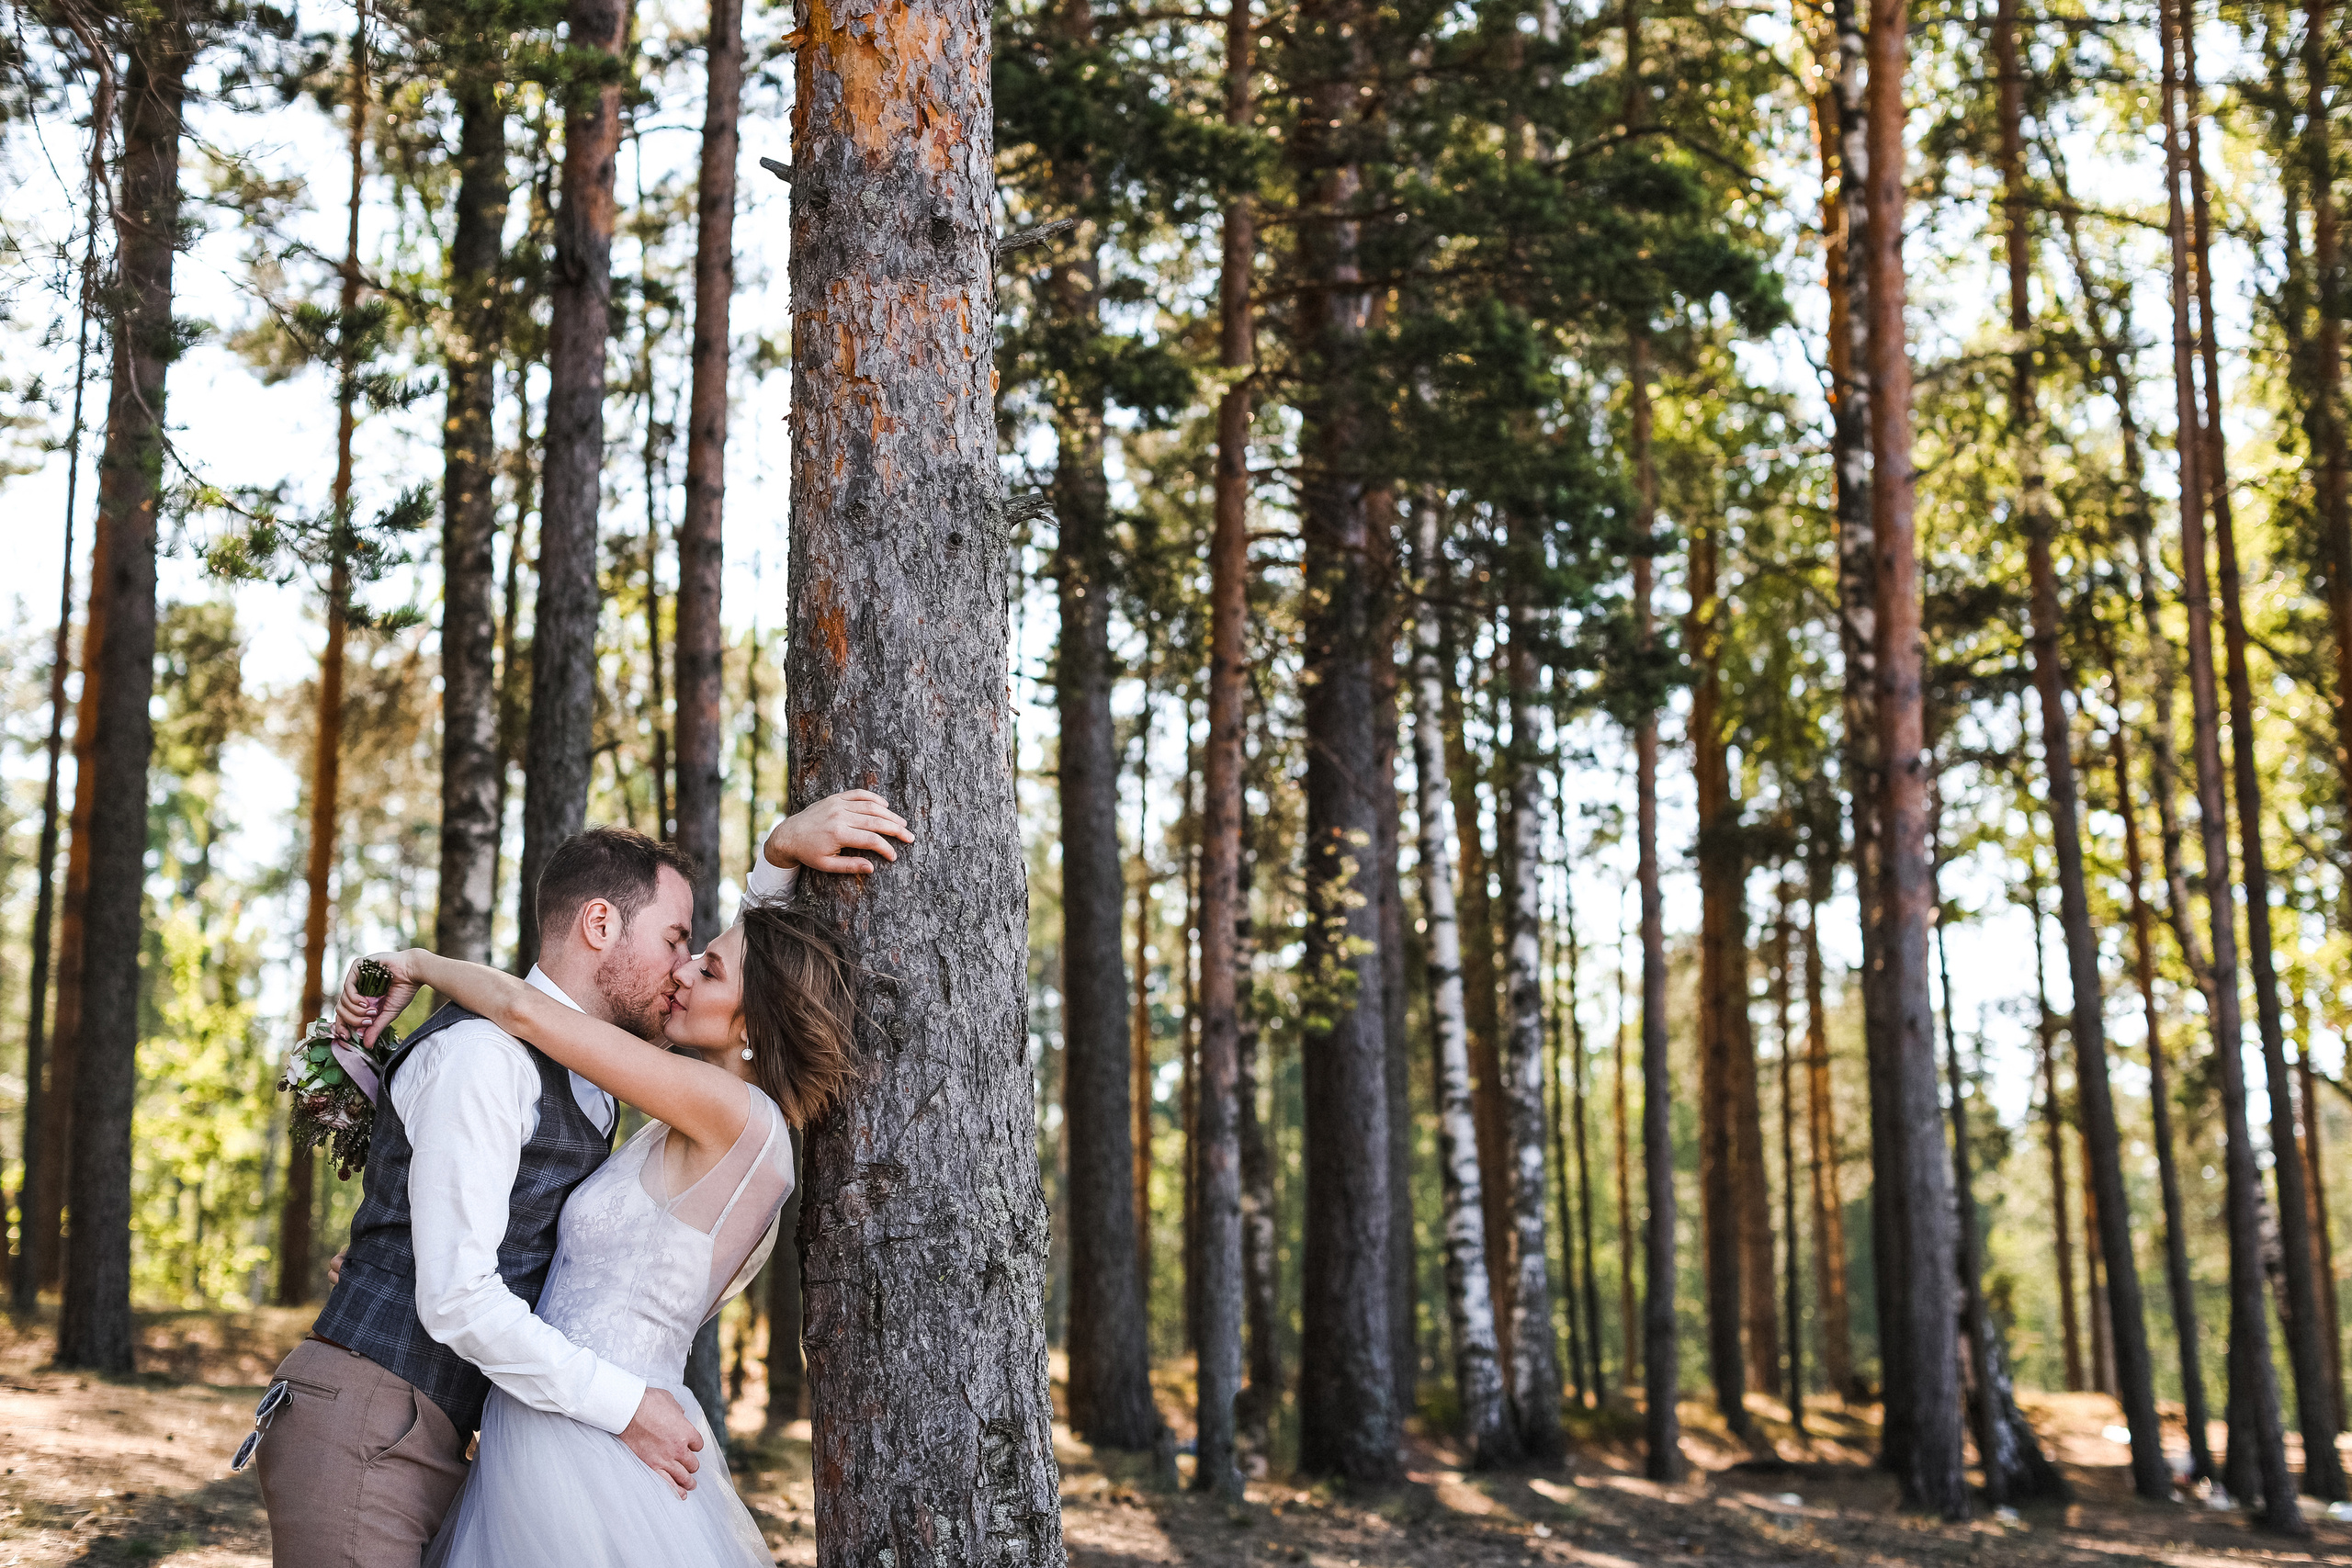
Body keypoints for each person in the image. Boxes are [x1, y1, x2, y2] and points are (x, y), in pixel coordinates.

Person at [251, 790, 910, 1568]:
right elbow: (747, 975)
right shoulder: (531, 1069)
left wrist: (420, 964)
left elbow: (548, 1009)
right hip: (452, 1420)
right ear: (600, 924)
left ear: (748, 1024)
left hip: (586, 1431)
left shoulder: (728, 1116)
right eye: (676, 941)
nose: (683, 968)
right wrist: (775, 860)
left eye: (699, 960)